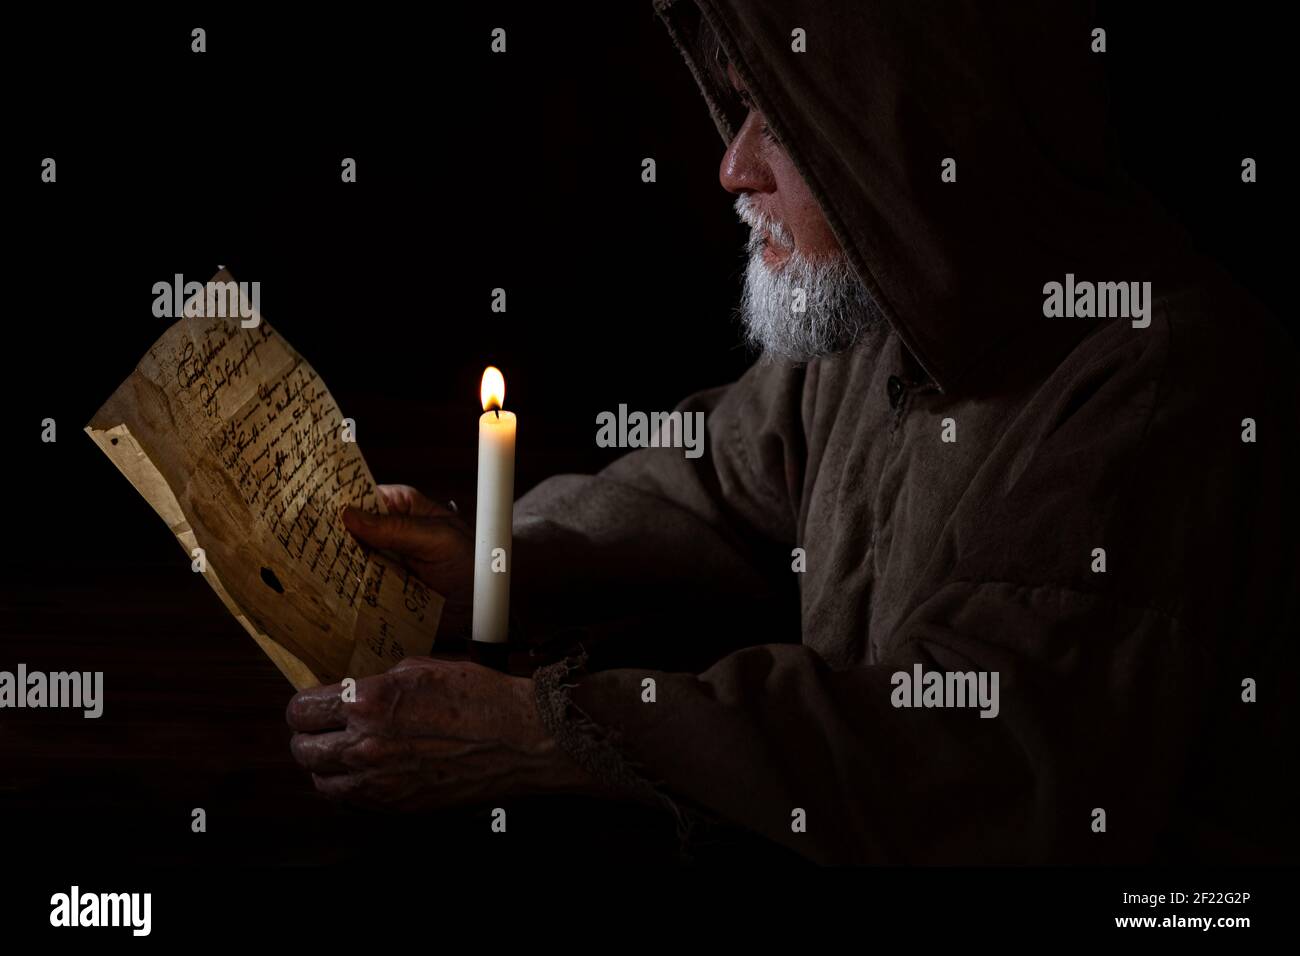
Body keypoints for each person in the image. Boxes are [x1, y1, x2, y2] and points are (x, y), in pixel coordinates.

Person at [286, 0, 1299, 863]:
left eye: (790, 126)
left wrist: (556, 732)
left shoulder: (1161, 373)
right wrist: (498, 558)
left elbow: (974, 747)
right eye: (742, 108)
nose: (733, 168)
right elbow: (708, 480)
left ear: (913, 138)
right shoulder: (890, 318)